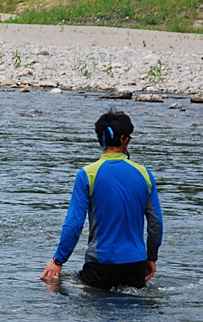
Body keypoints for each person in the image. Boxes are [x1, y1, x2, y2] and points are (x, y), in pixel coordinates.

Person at [41, 109, 163, 289]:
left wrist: (58, 261)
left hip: (100, 264)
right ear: (125, 140)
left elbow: (74, 224)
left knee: (55, 287)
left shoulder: (86, 175)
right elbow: (156, 224)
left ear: (100, 140)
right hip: (136, 263)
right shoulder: (145, 174)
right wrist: (151, 257)